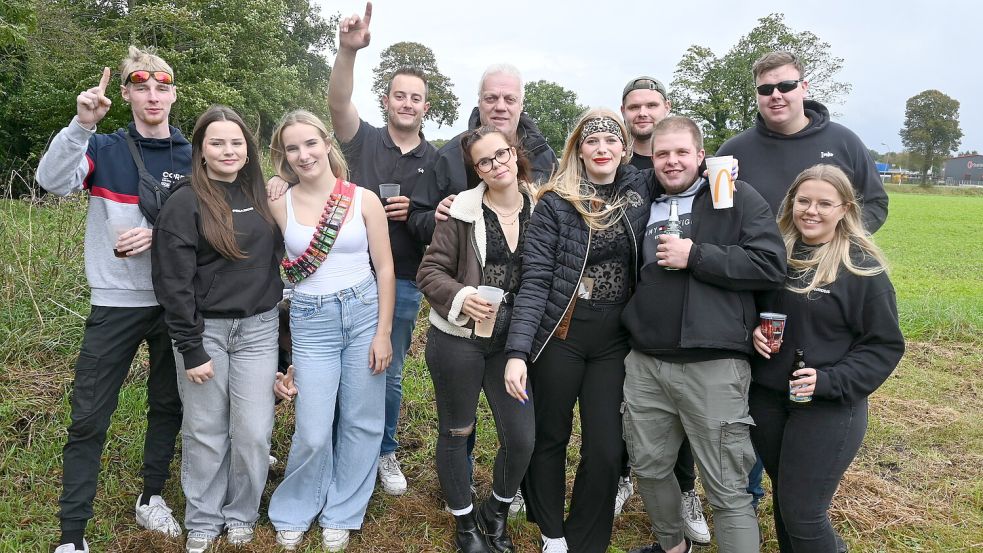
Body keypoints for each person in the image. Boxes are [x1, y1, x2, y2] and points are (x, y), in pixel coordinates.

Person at [36, 46, 188, 553]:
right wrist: (79, 126)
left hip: (175, 303)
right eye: (140, 86)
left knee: (167, 405)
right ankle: (72, 536)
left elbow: (215, 226)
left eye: (161, 87)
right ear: (124, 93)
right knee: (89, 417)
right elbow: (52, 182)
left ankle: (151, 497)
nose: (152, 95)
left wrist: (159, 233)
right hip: (116, 301)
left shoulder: (194, 156)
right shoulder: (102, 147)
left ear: (172, 94)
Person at [622, 116, 787, 553]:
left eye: (681, 152)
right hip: (647, 362)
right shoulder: (640, 200)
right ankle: (673, 546)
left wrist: (696, 255)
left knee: (727, 488)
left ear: (701, 156)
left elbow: (770, 263)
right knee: (651, 469)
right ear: (650, 158)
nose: (671, 162)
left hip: (714, 365)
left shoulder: (732, 195)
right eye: (662, 154)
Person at [504, 108, 652, 553]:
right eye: (592, 142)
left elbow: (685, 175)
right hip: (563, 334)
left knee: (607, 447)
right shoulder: (555, 203)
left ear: (624, 149)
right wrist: (517, 351)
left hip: (615, 338)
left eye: (611, 141)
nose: (602, 149)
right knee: (551, 434)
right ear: (579, 150)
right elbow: (534, 281)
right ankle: (551, 531)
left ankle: (587, 537)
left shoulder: (640, 195)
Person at [750, 164, 904, 552]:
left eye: (824, 203)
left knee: (804, 514)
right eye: (803, 201)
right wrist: (749, 330)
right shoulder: (773, 255)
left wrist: (831, 380)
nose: (811, 211)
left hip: (828, 406)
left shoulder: (861, 268)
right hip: (768, 399)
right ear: (790, 203)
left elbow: (884, 345)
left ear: (845, 208)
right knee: (787, 504)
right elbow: (746, 308)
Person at [151, 105, 283, 553]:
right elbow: (172, 281)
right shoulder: (185, 201)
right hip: (205, 331)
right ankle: (204, 519)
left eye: (236, 142)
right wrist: (190, 347)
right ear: (200, 151)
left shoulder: (266, 196)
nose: (228, 150)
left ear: (248, 149)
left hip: (259, 331)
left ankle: (241, 513)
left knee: (253, 432)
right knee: (205, 429)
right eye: (216, 142)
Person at [266, 110, 395, 552]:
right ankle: (296, 507)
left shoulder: (362, 200)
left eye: (310, 144)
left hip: (363, 314)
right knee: (314, 427)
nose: (304, 155)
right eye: (292, 148)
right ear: (283, 155)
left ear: (326, 143)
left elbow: (387, 268)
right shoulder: (277, 202)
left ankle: (343, 510)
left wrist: (383, 334)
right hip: (310, 320)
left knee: (361, 420)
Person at [327, 2, 438, 496]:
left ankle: (385, 451)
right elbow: (336, 105)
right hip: (347, 275)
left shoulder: (439, 160)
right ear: (387, 100)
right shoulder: (363, 141)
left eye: (416, 97)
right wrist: (347, 51)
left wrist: (417, 215)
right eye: (399, 95)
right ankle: (336, 445)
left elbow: (447, 220)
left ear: (426, 107)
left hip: (407, 279)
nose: (407, 103)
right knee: (340, 364)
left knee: (386, 368)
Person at [417, 126, 537, 553]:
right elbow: (428, 272)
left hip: (511, 345)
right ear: (477, 169)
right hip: (458, 341)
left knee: (521, 437)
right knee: (456, 431)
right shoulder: (462, 212)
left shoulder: (540, 207)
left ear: (514, 152)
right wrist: (463, 297)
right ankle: (466, 525)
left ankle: (496, 512)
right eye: (484, 161)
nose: (496, 165)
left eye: (501, 154)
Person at [617, 75, 711, 546]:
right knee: (632, 406)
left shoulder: (699, 172)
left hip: (690, 315)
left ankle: (687, 490)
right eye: (633, 106)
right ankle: (624, 477)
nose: (642, 113)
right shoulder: (618, 162)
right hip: (633, 308)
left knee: (682, 408)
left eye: (651, 104)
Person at [716, 51, 888, 233]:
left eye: (785, 86)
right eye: (765, 89)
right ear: (757, 94)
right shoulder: (733, 151)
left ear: (804, 87)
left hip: (827, 261)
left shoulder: (844, 142)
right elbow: (711, 211)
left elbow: (875, 203)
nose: (775, 95)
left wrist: (839, 240)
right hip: (756, 260)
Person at [408, 63, 558, 245]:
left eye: (510, 99)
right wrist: (436, 219)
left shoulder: (545, 156)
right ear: (479, 103)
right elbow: (416, 218)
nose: (500, 106)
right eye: (491, 98)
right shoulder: (450, 156)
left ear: (521, 105)